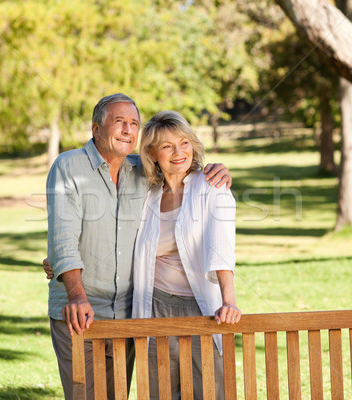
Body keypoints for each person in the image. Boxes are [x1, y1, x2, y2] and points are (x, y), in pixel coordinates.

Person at [45, 93, 231, 400]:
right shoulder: (70, 166)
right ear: (96, 128)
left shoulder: (141, 174)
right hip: (82, 311)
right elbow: (63, 238)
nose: (128, 130)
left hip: (129, 314)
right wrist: (72, 284)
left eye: (134, 123)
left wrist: (219, 171)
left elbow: (176, 167)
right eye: (119, 122)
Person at [132, 111, 240, 399]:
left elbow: (222, 245)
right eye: (167, 146)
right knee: (159, 392)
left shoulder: (211, 185)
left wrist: (229, 301)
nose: (178, 153)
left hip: (200, 308)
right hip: (154, 306)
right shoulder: (148, 194)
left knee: (208, 391)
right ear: (152, 153)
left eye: (184, 143)